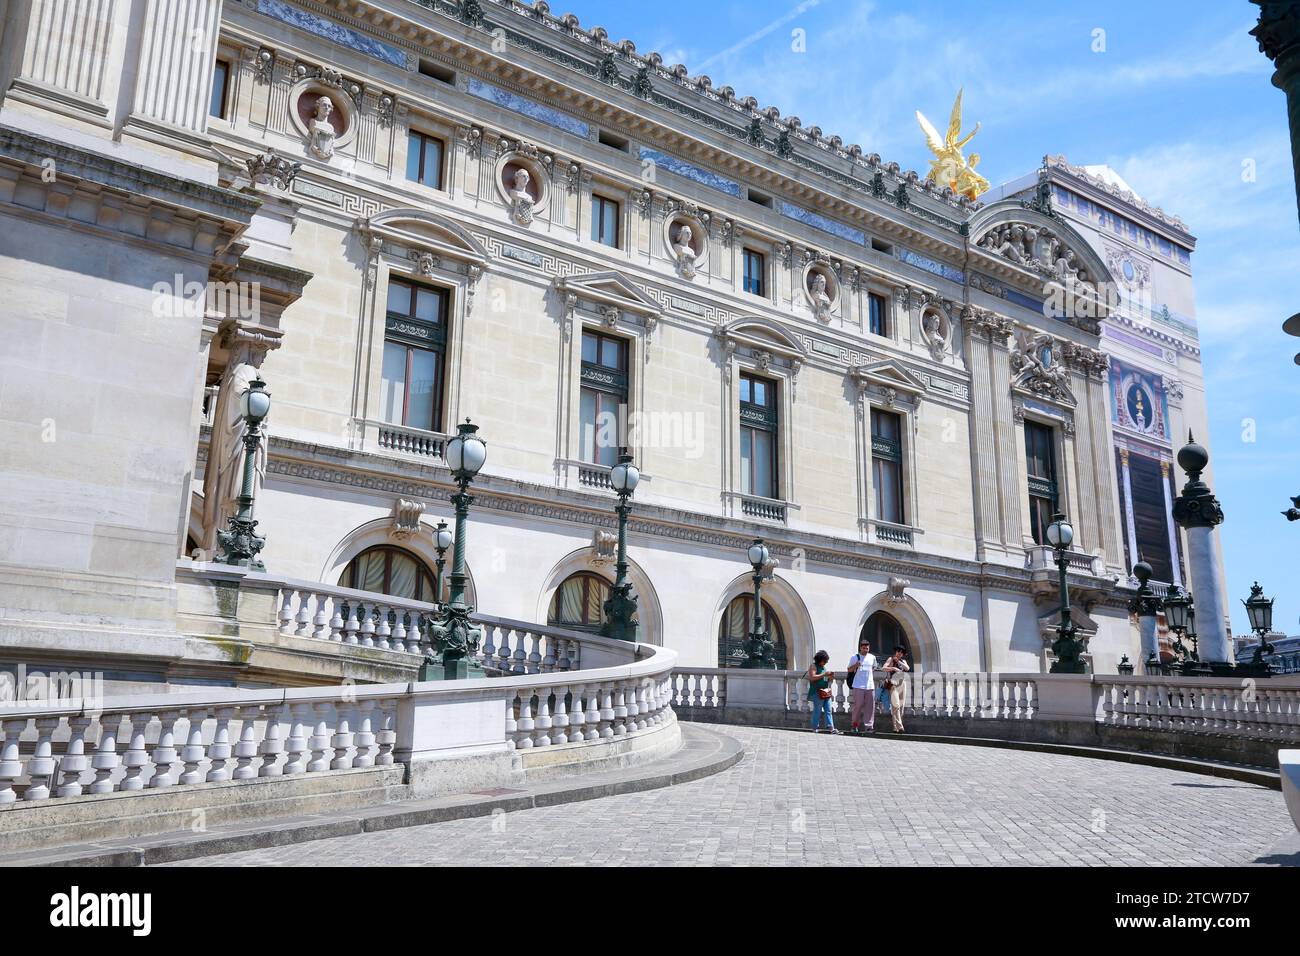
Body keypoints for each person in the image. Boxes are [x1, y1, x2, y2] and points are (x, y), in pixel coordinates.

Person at [846, 638, 877, 733]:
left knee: (870, 707)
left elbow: (874, 667)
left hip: (870, 686)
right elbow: (849, 670)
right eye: (863, 648)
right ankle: (854, 725)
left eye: (867, 648)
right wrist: (856, 665)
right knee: (858, 706)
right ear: (860, 648)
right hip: (858, 685)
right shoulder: (854, 657)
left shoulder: (872, 657)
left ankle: (869, 726)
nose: (865, 650)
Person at [806, 650, 839, 734]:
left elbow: (826, 680)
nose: (825, 663)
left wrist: (830, 677)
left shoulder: (824, 668)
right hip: (817, 692)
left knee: (828, 709)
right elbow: (812, 677)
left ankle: (831, 728)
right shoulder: (813, 666)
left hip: (825, 692)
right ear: (820, 659)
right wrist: (824, 674)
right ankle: (814, 727)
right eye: (824, 661)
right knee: (817, 710)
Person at [882, 645, 911, 733]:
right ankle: (900, 726)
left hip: (902, 684)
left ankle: (895, 728)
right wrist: (893, 668)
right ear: (895, 652)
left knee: (901, 707)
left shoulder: (903, 661)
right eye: (898, 651)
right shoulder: (890, 659)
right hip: (893, 684)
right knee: (896, 705)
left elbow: (907, 668)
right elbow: (883, 668)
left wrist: (899, 662)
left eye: (901, 652)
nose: (900, 653)